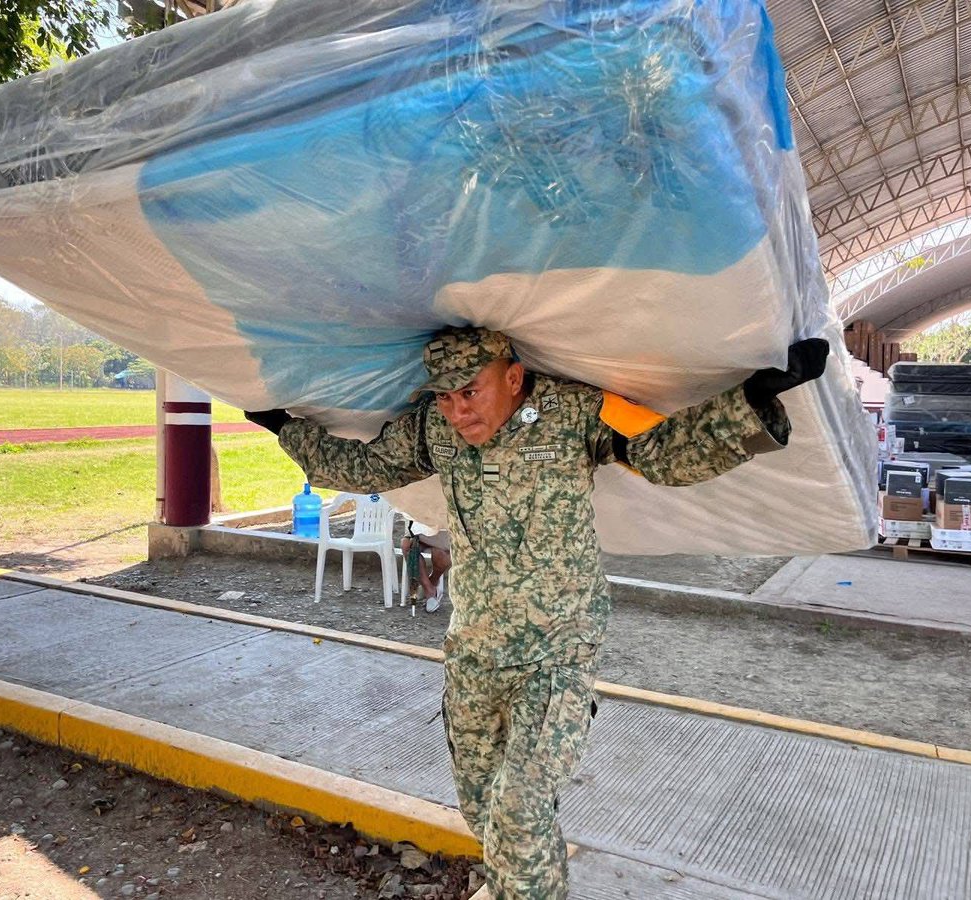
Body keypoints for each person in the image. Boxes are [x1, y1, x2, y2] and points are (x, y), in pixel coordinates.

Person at [246, 326, 827, 900]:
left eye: (469, 391)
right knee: (485, 813)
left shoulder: (574, 412)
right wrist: (289, 433)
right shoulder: (434, 430)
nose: (457, 411)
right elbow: (367, 469)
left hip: (556, 653)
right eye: (445, 397)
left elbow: (661, 452)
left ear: (514, 376)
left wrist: (750, 401)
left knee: (520, 813)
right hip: (474, 652)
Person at [401, 520, 451, 612]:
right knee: (407, 545)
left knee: (442, 554)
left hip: (445, 528)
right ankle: (429, 590)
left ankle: (433, 580)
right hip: (422, 525)